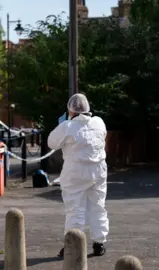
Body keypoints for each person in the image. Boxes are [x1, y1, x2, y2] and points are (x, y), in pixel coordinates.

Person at [48, 93, 109, 258]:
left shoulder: (67, 127)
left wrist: (62, 126)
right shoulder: (99, 122)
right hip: (98, 170)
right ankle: (99, 243)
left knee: (75, 208)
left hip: (75, 171)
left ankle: (73, 244)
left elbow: (52, 143)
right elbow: (102, 137)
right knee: (98, 206)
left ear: (70, 110)